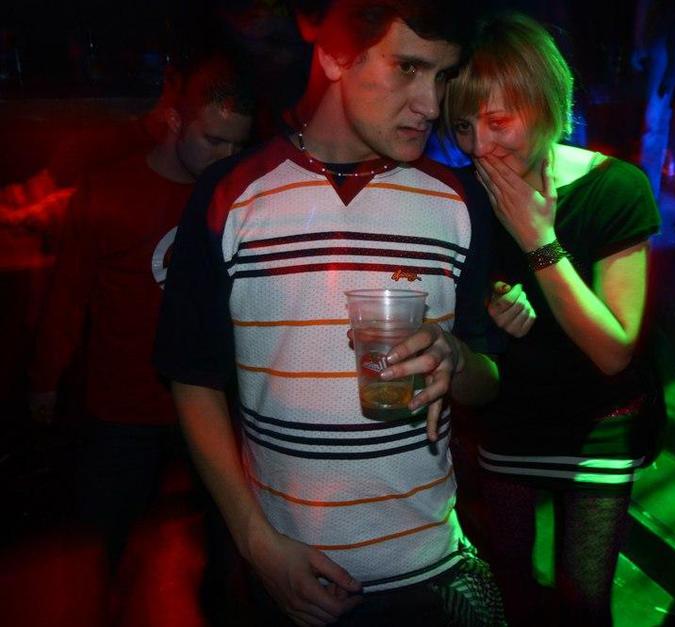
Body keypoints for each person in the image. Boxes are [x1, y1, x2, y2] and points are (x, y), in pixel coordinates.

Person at [153, 1, 509, 625]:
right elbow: (193, 377)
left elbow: (488, 378)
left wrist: (457, 359)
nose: (432, 103)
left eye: (444, 75)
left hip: (429, 571)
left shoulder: (460, 201)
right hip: (289, 574)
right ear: (337, 54)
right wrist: (257, 545)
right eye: (408, 67)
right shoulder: (230, 194)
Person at [445, 13, 664, 626]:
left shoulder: (616, 188)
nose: (480, 146)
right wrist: (486, 304)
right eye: (462, 127)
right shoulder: (459, 195)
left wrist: (539, 241)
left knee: (583, 603)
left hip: (599, 424)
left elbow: (614, 350)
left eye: (498, 122)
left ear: (545, 105)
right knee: (510, 586)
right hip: (508, 420)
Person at [26, 53, 254, 570]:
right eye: (213, 140)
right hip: (121, 412)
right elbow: (67, 298)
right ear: (174, 121)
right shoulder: (109, 190)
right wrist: (44, 382)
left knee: (228, 552)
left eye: (237, 144)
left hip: (211, 406)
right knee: (99, 551)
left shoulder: (238, 196)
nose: (227, 156)